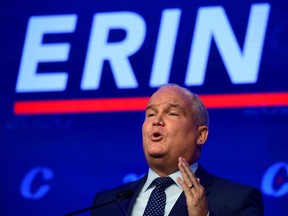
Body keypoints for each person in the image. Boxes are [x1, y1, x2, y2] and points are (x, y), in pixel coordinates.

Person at [91, 83, 264, 216]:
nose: (157, 121)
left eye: (172, 113)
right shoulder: (107, 203)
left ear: (201, 135)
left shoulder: (237, 200)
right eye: (151, 114)